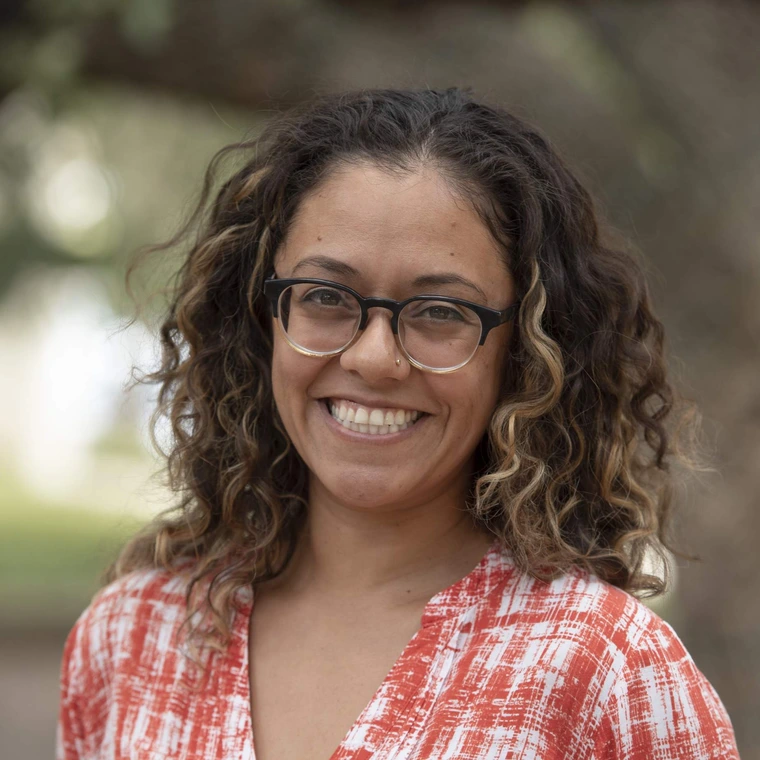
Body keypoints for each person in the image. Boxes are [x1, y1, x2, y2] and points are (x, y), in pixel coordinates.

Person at [56, 88, 740, 760]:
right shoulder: (133, 637)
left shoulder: (607, 674)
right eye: (324, 297)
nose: (373, 357)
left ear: (526, 354)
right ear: (261, 320)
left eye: (441, 312)